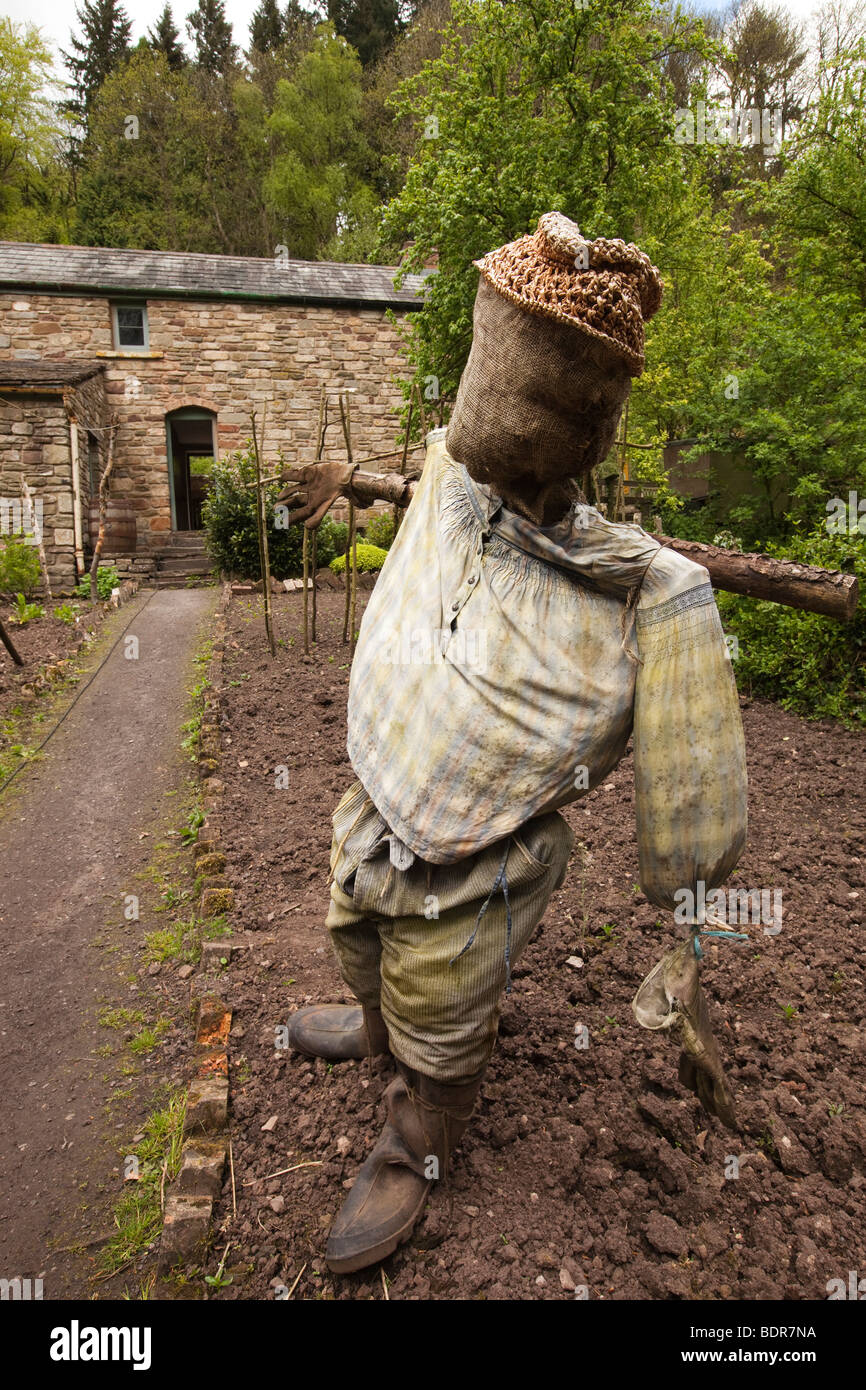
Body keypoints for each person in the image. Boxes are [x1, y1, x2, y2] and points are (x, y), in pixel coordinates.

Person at [277, 213, 747, 1275]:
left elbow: (687, 750)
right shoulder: (451, 476)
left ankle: (418, 1131)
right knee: (351, 924)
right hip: (382, 789)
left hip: (477, 840)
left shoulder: (630, 576)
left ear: (579, 416)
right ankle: (369, 1024)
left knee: (441, 988)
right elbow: (433, 469)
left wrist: (690, 901)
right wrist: (354, 480)